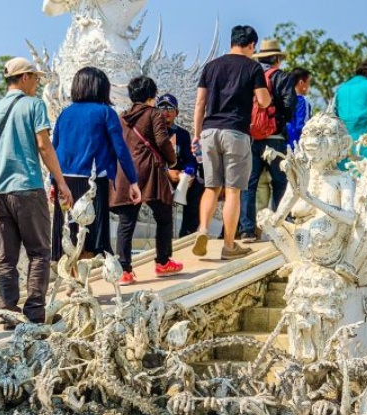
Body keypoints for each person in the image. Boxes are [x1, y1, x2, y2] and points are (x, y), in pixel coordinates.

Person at [0, 57, 73, 326]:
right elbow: (44, 145)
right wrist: (61, 182)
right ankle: (34, 311)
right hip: (27, 188)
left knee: (6, 257)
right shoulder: (34, 105)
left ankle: (8, 311)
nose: (37, 83)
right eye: (35, 78)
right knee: (39, 251)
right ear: (24, 77)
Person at [192, 25, 271, 260]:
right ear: (251, 45)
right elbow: (263, 101)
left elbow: (200, 103)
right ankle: (229, 245)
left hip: (209, 131)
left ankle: (203, 229)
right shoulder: (253, 67)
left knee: (211, 187)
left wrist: (197, 134)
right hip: (235, 132)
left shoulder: (211, 66)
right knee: (233, 190)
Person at [51, 67, 141, 263]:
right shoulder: (106, 112)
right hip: (92, 184)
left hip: (64, 182)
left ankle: (71, 278)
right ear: (101, 87)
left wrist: (53, 182)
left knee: (68, 235)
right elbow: (121, 149)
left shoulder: (64, 114)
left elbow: (54, 150)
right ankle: (86, 278)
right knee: (92, 240)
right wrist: (132, 181)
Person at [112, 77, 180, 284]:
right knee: (164, 216)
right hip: (150, 172)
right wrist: (172, 159)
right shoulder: (154, 113)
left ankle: (124, 270)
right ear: (152, 95)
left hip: (126, 173)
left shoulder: (122, 117)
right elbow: (162, 140)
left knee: (126, 222)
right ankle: (163, 262)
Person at [239, 39, 296, 242]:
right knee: (280, 183)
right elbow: (290, 105)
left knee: (249, 184)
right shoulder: (282, 77)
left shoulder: (250, 76)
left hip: (252, 138)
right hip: (275, 138)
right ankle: (282, 228)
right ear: (277, 59)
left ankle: (247, 230)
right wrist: (277, 119)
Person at [157, 93, 202, 237]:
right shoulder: (152, 132)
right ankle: (165, 235)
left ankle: (187, 233)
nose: (166, 112)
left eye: (170, 108)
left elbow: (190, 158)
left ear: (176, 112)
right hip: (159, 175)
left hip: (179, 176)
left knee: (198, 187)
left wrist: (188, 173)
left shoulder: (182, 134)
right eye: (162, 108)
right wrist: (166, 171)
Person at [287, 67, 311, 149]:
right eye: (308, 82)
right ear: (301, 83)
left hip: (283, 143)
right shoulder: (302, 101)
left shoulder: (284, 99)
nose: (309, 86)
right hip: (297, 145)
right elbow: (302, 126)